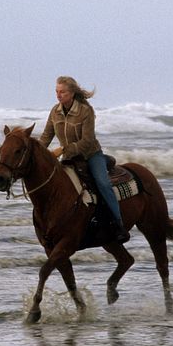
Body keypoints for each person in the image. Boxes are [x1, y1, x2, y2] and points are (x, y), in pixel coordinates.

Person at [39, 76, 129, 243]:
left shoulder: (85, 111)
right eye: (56, 92)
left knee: (103, 183)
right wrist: (35, 152)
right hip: (68, 158)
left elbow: (87, 142)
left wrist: (64, 149)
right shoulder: (54, 111)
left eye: (63, 92)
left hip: (90, 155)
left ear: (72, 93)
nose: (59, 95)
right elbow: (46, 136)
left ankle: (118, 224)